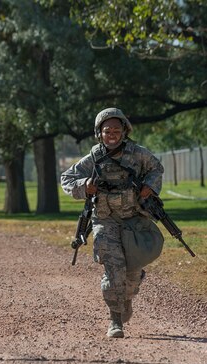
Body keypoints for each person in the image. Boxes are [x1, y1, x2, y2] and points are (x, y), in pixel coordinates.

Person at [61, 108, 164, 338]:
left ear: (124, 131)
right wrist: (85, 185)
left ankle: (126, 297)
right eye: (107, 130)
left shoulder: (138, 154)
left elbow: (156, 168)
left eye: (117, 130)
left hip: (134, 220)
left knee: (132, 273)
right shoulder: (95, 157)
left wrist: (149, 186)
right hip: (104, 221)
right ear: (100, 133)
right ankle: (115, 320)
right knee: (113, 268)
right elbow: (67, 178)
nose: (112, 134)